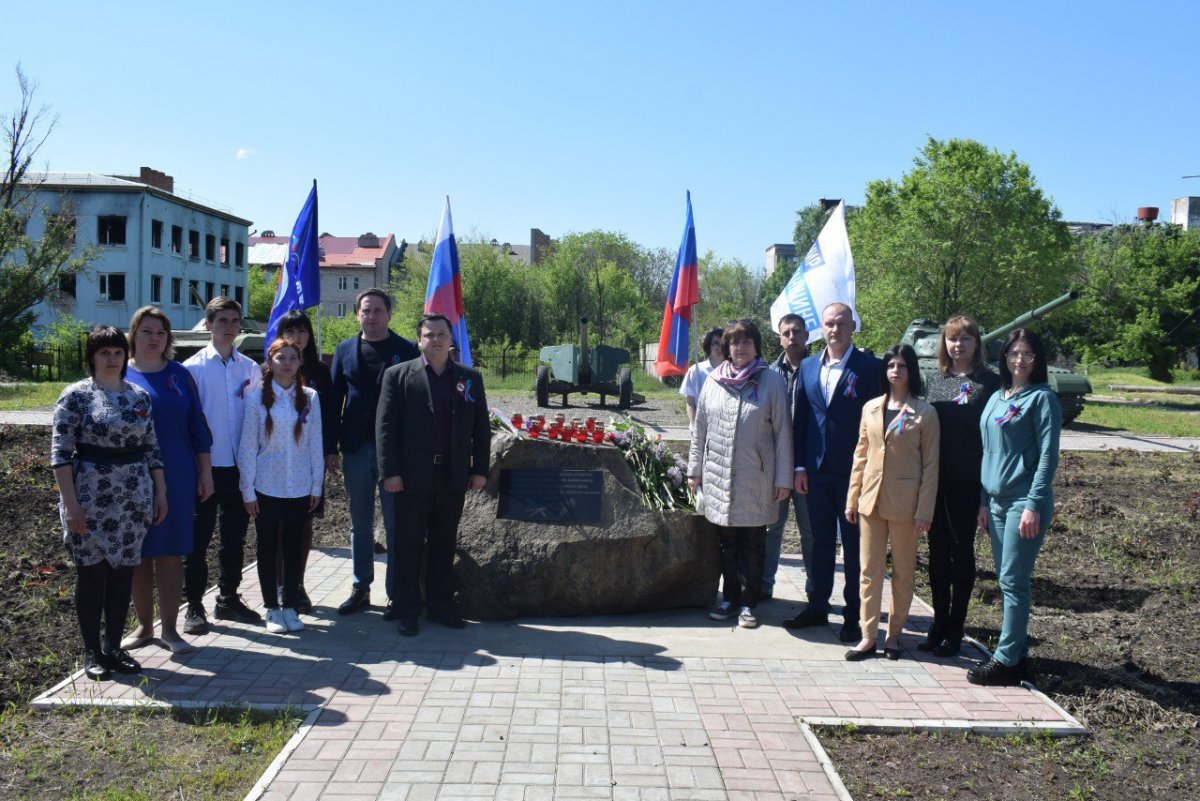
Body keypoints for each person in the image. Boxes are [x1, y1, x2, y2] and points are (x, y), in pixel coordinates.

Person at [51, 325, 168, 680]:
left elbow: (152, 448)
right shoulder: (76, 396)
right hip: (89, 499)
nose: (112, 359)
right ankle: (92, 651)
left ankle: (113, 647)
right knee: (92, 576)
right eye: (104, 353)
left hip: (133, 499)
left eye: (118, 352)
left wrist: (160, 492)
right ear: (92, 357)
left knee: (122, 575)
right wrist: (71, 505)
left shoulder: (138, 397)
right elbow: (60, 453)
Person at [376, 313, 491, 636]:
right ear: (419, 340)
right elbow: (385, 429)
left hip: (451, 476)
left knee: (444, 543)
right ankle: (407, 607)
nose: (436, 340)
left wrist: (479, 469)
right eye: (430, 335)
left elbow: (481, 428)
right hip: (410, 477)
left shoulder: (469, 378)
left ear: (451, 339)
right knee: (408, 545)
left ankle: (441, 606)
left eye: (442, 334)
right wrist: (390, 472)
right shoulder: (398, 376)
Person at [784, 303, 883, 643]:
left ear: (853, 325)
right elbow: (802, 420)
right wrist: (799, 465)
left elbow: (877, 424)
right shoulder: (809, 366)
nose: (835, 329)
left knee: (854, 546)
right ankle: (817, 605)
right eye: (829, 323)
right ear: (821, 328)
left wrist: (869, 470)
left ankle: (853, 615)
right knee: (820, 542)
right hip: (815, 471)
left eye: (842, 323)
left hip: (854, 473)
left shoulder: (870, 367)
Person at [968, 328, 1060, 686]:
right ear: (1004, 357)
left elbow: (1048, 455)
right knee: (1007, 579)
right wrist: (983, 500)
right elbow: (986, 451)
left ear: (1037, 361)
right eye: (1014, 353)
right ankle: (1017, 653)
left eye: (1028, 355)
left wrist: (1034, 504)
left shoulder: (1042, 399)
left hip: (1024, 502)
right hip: (995, 502)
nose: (1020, 360)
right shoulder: (996, 397)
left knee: (1012, 579)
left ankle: (1006, 661)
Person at [687, 319, 793, 630]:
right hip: (719, 477)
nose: (740, 348)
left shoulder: (771, 382)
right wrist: (695, 471)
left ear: (757, 346)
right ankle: (730, 597)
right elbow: (699, 432)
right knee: (726, 544)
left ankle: (749, 602)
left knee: (753, 544)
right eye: (734, 343)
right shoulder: (712, 382)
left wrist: (782, 479)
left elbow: (783, 433)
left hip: (756, 479)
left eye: (746, 342)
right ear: (726, 349)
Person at [122, 307, 214, 654]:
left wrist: (205, 471)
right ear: (134, 334)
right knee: (139, 554)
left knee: (171, 552)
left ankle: (171, 630)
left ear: (168, 339)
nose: (153, 339)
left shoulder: (178, 375)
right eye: (146, 332)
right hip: (129, 475)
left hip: (176, 472)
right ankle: (145, 626)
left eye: (160, 333)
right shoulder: (121, 374)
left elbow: (197, 425)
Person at [844, 345, 940, 660]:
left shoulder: (924, 412)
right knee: (868, 571)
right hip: (870, 501)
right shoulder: (871, 407)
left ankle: (894, 635)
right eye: (891, 365)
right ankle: (868, 635)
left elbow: (931, 466)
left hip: (906, 506)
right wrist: (852, 497)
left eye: (902, 365)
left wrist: (925, 511)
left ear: (912, 370)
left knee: (903, 572)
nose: (895, 371)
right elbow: (861, 454)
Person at [328, 289, 419, 618]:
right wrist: (330, 449)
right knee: (360, 524)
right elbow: (333, 401)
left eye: (378, 310)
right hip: (355, 449)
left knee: (396, 524)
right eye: (366, 310)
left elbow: (414, 405)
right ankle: (360, 587)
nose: (372, 316)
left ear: (389, 314)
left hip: (393, 454)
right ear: (357, 314)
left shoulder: (407, 350)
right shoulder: (343, 350)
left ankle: (396, 592)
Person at [920, 316, 1000, 656]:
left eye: (966, 339)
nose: (958, 346)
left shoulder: (990, 384)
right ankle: (938, 622)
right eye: (953, 340)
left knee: (960, 551)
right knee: (936, 553)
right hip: (936, 479)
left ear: (976, 344)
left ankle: (956, 626)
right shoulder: (937, 382)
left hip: (968, 480)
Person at [182, 297, 262, 633]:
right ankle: (194, 606)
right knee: (198, 539)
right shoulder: (193, 369)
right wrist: (201, 471)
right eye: (222, 321)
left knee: (234, 537)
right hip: (206, 468)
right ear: (209, 324)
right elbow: (190, 423)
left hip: (240, 468)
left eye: (234, 320)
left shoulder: (250, 368)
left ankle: (227, 597)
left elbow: (257, 418)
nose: (229, 327)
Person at [238, 338, 324, 634]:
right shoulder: (255, 397)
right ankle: (271, 608)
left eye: (292, 358)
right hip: (266, 484)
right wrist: (247, 489)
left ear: (300, 362)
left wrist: (316, 486)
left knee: (292, 547)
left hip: (299, 486)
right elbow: (248, 446)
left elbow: (315, 444)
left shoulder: (310, 397)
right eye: (280, 357)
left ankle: (289, 606)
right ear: (270, 361)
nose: (287, 363)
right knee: (267, 546)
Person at [276, 310, 337, 614]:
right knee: (276, 527)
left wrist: (329, 451)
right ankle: (277, 584)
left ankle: (297, 585)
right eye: (290, 331)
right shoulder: (268, 370)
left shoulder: (319, 372)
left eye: (302, 331)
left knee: (302, 525)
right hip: (273, 463)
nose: (297, 337)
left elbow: (330, 416)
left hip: (308, 460)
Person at [762, 313, 815, 601]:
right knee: (772, 528)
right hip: (776, 467)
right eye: (787, 332)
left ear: (807, 335)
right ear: (780, 337)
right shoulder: (769, 374)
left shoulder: (817, 369)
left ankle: (814, 588)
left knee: (811, 532)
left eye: (797, 331)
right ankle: (765, 584)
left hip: (808, 466)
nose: (792, 337)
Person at [680, 327, 725, 425]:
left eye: (723, 343)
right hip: (700, 427)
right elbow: (690, 403)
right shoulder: (696, 370)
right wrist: (694, 425)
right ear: (709, 345)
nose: (719, 347)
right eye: (716, 343)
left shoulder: (734, 371)